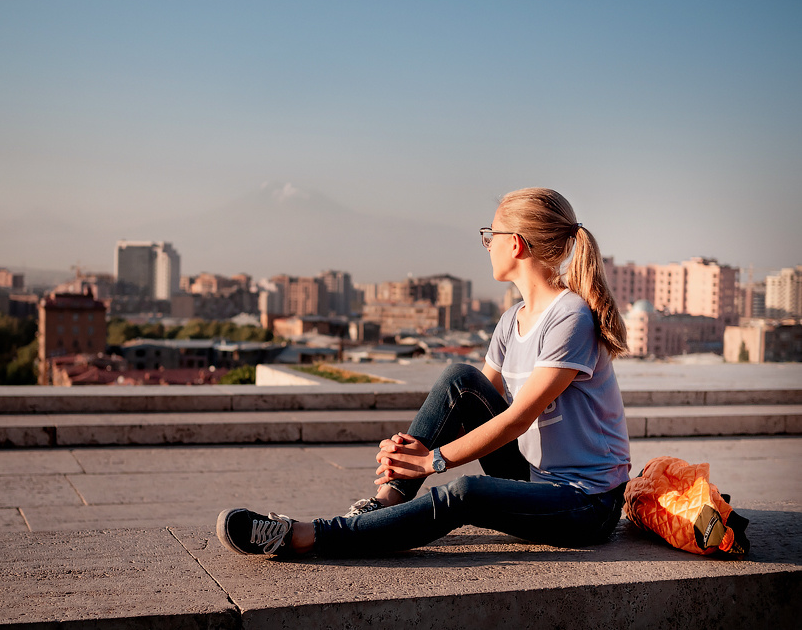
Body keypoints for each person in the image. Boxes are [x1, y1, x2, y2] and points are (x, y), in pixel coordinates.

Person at [217, 187, 631, 557]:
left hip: (586, 503)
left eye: (491, 235)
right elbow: (474, 405)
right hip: (534, 476)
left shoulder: (570, 317)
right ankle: (384, 502)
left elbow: (516, 419)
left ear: (516, 244)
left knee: (466, 493)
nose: (487, 245)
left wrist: (431, 461)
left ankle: (306, 536)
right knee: (460, 378)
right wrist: (406, 453)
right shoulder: (512, 319)